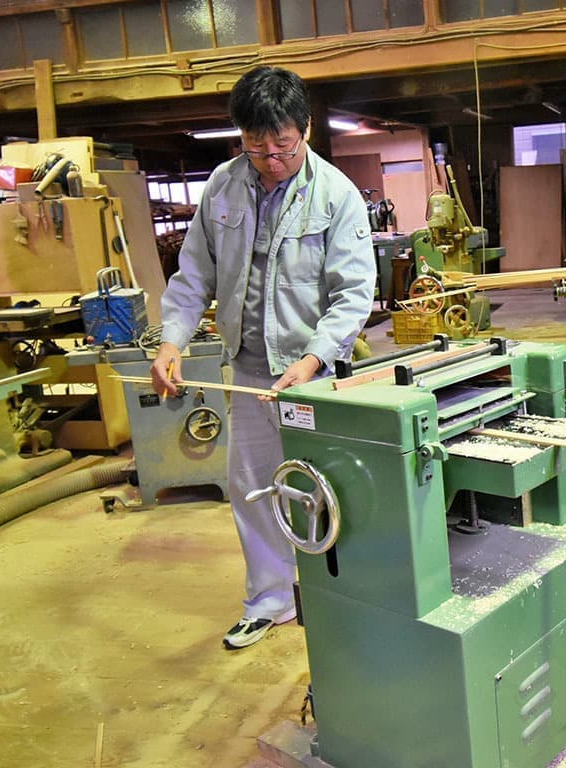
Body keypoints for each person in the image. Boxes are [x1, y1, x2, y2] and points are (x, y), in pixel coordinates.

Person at [150, 65, 375, 650]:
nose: (270, 160)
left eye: (283, 147)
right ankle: (271, 600)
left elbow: (354, 294)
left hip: (313, 376)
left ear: (305, 130)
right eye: (256, 147)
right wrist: (171, 340)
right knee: (254, 489)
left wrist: (315, 359)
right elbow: (193, 274)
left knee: (328, 489)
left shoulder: (336, 195)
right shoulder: (222, 187)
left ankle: (338, 599)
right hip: (249, 370)